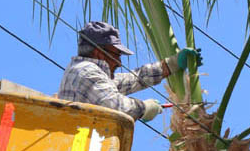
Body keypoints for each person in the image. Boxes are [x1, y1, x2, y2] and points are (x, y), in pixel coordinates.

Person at [57, 21, 200, 123]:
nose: (119, 63)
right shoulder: (86, 72)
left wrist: (171, 64)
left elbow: (135, 79)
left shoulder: (87, 72)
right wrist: (144, 108)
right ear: (99, 52)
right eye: (116, 55)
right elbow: (116, 106)